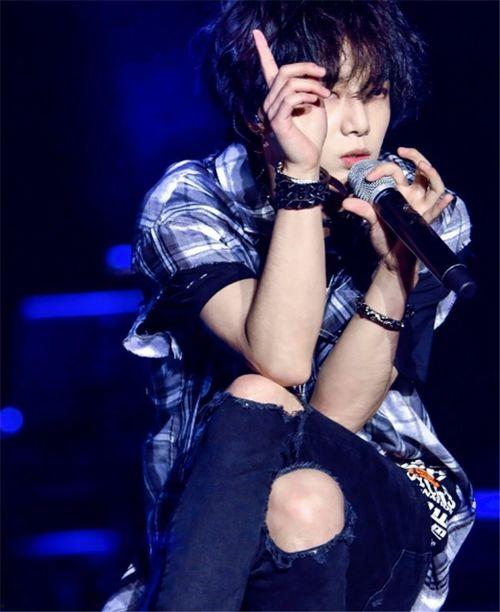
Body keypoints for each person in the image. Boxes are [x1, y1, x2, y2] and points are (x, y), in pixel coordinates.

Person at [102, 1, 475, 610]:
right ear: (260, 110)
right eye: (327, 97)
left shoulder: (420, 212)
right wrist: (297, 183)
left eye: (374, 94)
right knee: (294, 482)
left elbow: (333, 418)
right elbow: (280, 359)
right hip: (220, 524)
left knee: (277, 429)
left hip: (384, 508)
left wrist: (392, 274)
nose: (358, 124)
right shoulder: (193, 201)